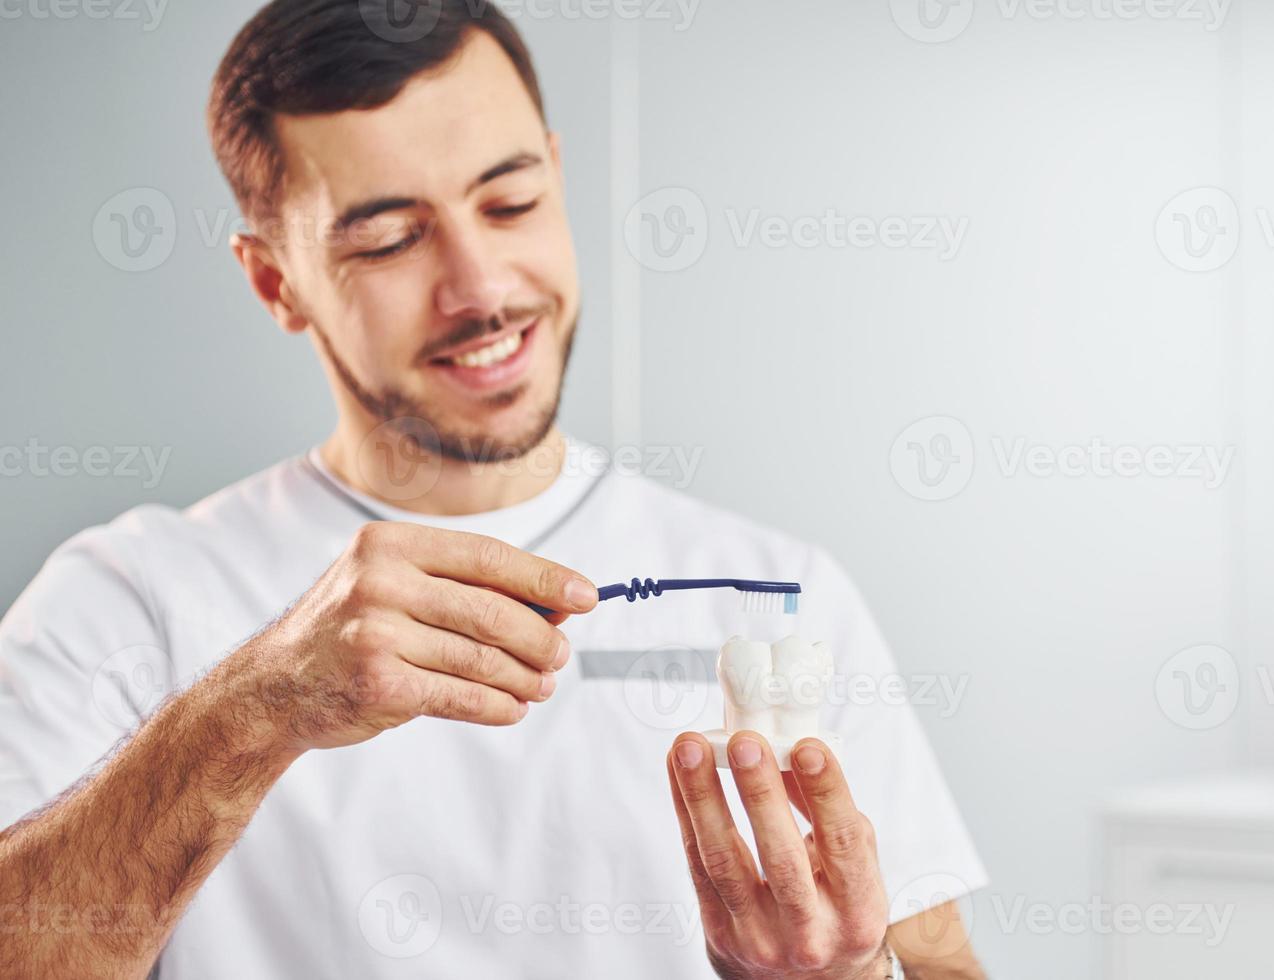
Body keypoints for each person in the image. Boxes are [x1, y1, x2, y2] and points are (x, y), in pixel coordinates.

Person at [0, 2, 987, 976]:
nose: (479, 287)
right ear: (275, 282)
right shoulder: (121, 599)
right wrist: (256, 711)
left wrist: (837, 976)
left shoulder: (778, 594)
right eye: (390, 238)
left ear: (557, 175)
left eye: (511, 202)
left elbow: (941, 963)